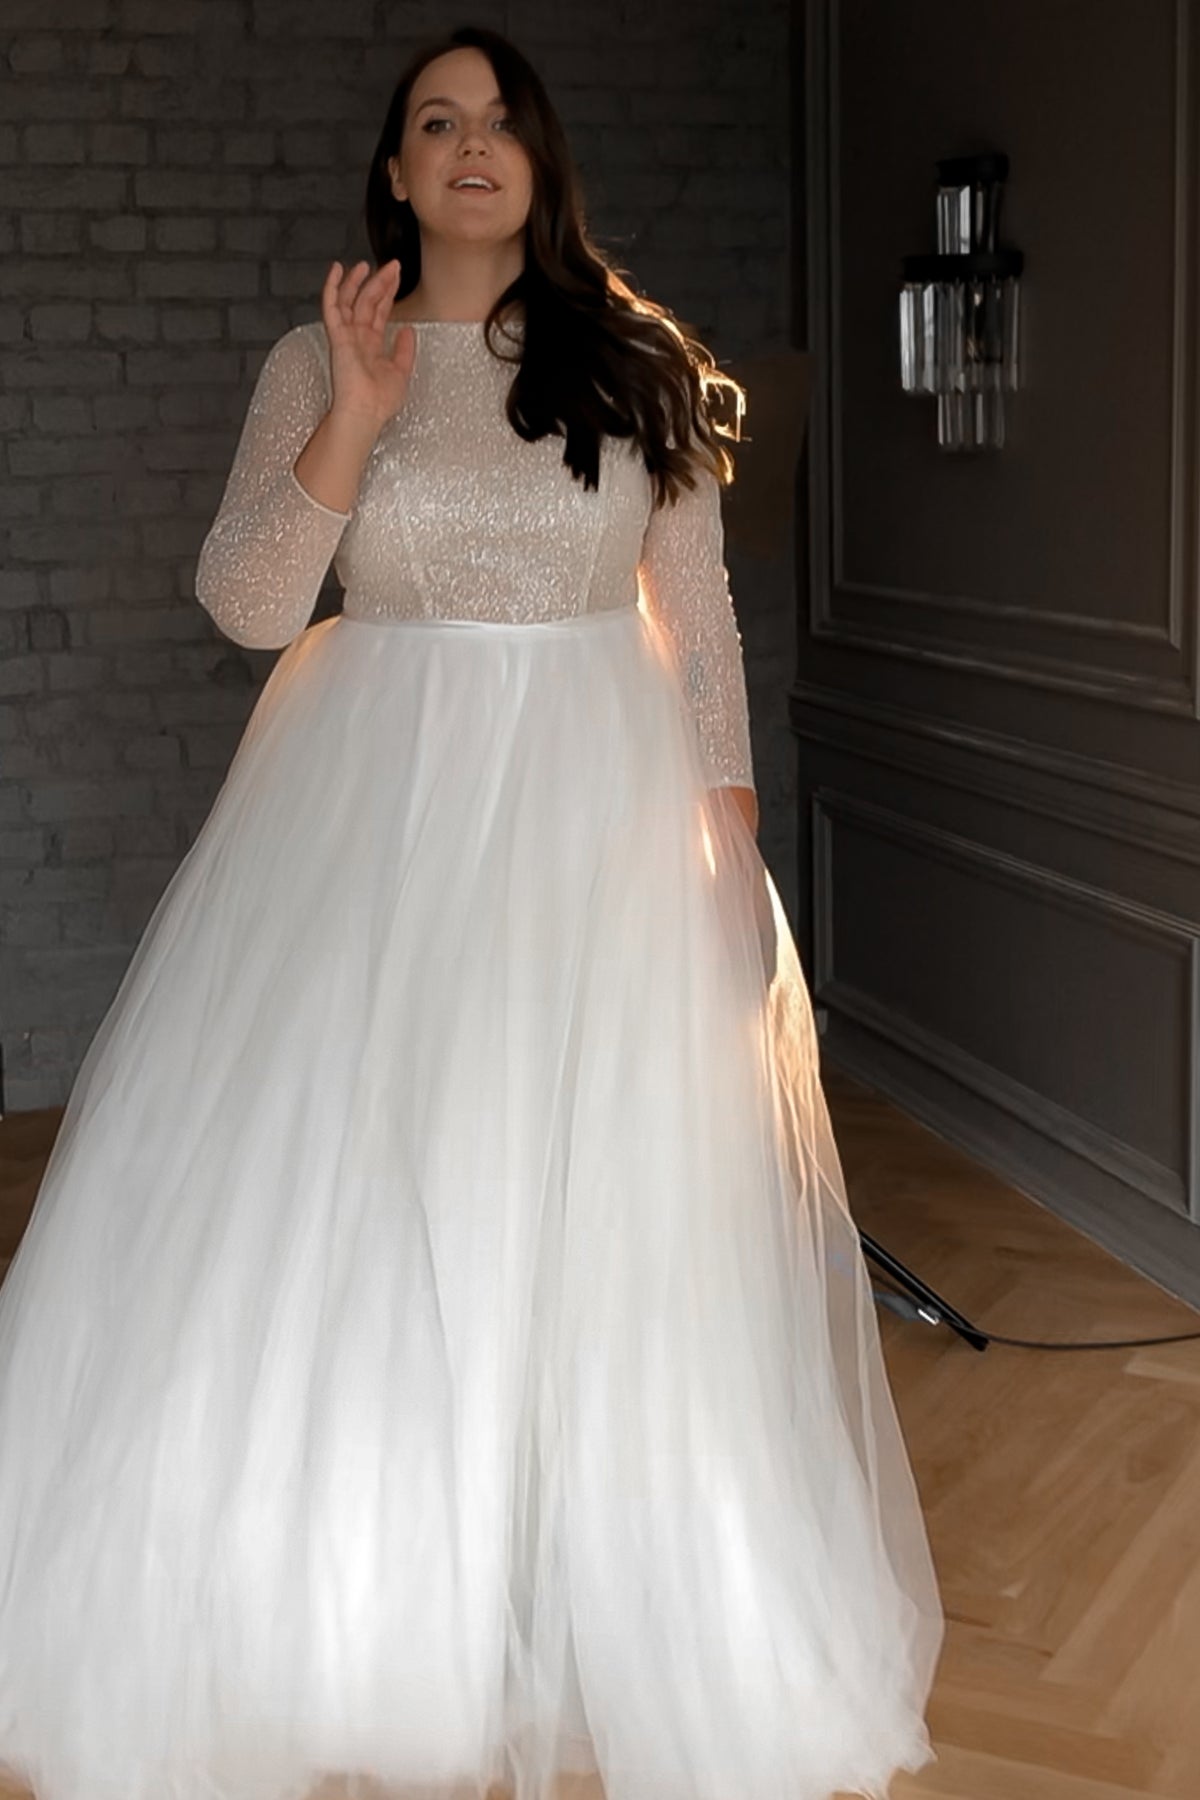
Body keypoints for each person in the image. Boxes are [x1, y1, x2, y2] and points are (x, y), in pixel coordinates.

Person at [0, 24, 944, 1800]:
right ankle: (378, 1597)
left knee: (586, 1200)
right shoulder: (318, 356)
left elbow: (703, 623)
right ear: (396, 172)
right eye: (435, 122)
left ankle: (588, 1583)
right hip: (372, 810)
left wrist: (733, 853)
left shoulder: (637, 360)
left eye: (500, 118)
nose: (470, 144)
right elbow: (249, 604)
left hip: (599, 815)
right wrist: (357, 415)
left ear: (543, 156)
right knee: (371, 1185)